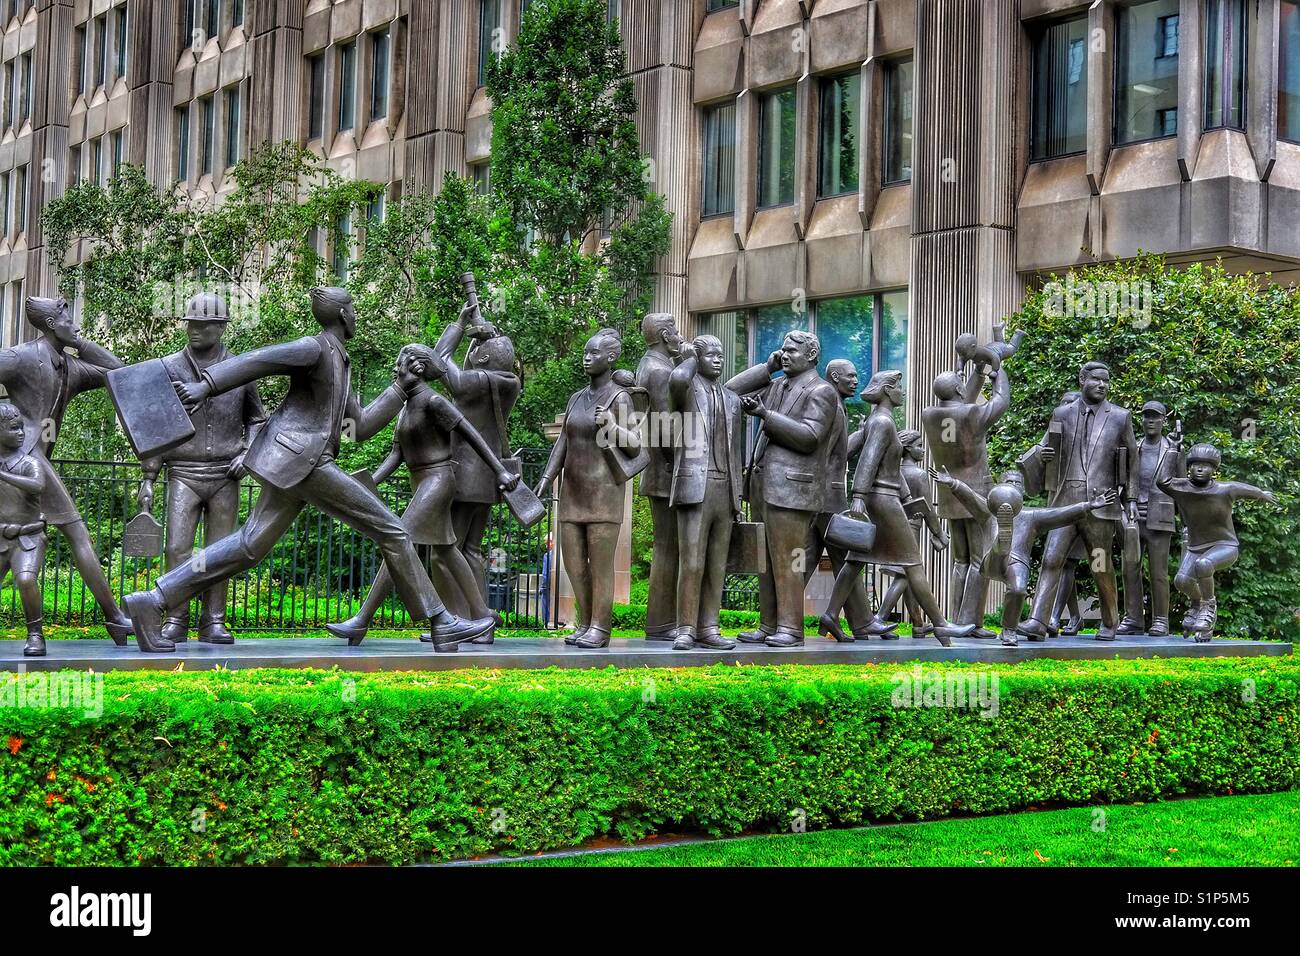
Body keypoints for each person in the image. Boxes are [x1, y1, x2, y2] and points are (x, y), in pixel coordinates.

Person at [122, 287, 494, 653]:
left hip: (294, 465)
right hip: (307, 461)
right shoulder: (313, 348)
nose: (355, 316)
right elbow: (259, 360)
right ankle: (442, 622)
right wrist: (206, 386)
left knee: (247, 546)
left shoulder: (340, 360)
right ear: (344, 315)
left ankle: (153, 600)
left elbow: (360, 427)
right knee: (393, 531)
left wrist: (401, 387)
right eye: (353, 310)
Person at [325, 344, 520, 646]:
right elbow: (396, 455)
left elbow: (472, 434)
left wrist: (499, 471)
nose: (395, 368)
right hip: (421, 482)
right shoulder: (405, 407)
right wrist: (367, 483)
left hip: (438, 481)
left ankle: (362, 620)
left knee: (397, 542)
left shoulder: (433, 401)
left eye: (400, 362)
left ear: (416, 367)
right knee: (447, 551)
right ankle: (483, 619)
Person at [0, 296, 134, 645]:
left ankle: (114, 618)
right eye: (67, 320)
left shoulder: (70, 367)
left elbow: (119, 371)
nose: (75, 325)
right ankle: (114, 618)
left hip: (34, 461)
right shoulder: (20, 357)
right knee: (77, 533)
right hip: (26, 459)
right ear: (50, 324)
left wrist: (80, 343)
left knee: (71, 537)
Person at [136, 293, 266, 645]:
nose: (194, 330)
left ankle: (213, 621)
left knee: (218, 552)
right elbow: (155, 426)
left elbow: (256, 420)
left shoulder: (240, 369)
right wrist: (148, 477)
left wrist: (248, 454)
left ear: (221, 328)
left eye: (204, 325)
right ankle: (175, 618)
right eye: (191, 324)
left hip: (226, 473)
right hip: (183, 471)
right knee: (177, 549)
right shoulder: (168, 368)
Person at [819, 370, 975, 646]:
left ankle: (830, 614)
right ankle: (940, 625)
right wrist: (858, 496)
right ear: (887, 390)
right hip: (883, 500)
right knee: (912, 563)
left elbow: (890, 468)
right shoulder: (882, 421)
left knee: (855, 561)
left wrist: (905, 497)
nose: (902, 391)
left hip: (882, 497)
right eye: (899, 387)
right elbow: (867, 461)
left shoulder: (882, 421)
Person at [726, 331, 840, 648]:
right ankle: (768, 625)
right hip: (763, 487)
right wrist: (767, 367)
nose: (785, 355)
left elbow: (809, 437)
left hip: (793, 490)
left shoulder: (822, 391)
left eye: (791, 351)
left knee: (789, 561)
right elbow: (730, 391)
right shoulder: (777, 385)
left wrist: (765, 414)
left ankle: (791, 628)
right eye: (783, 350)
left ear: (812, 355)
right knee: (766, 561)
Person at [535, 329, 642, 649]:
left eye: (593, 353)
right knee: (574, 564)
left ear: (611, 358)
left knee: (600, 566)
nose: (586, 358)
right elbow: (563, 442)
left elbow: (635, 445)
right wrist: (546, 478)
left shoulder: (619, 398)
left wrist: (611, 425)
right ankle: (584, 623)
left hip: (604, 493)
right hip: (572, 492)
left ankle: (600, 627)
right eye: (585, 352)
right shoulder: (576, 398)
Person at [1017, 361, 1138, 642]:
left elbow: (1133, 459)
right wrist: (1042, 454)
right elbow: (1044, 446)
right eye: (1096, 379)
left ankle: (1110, 621)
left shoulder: (1120, 417)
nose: (1102, 385)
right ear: (1082, 379)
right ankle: (1038, 621)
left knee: (1100, 563)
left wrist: (1131, 499)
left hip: (1102, 502)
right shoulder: (1062, 413)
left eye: (1106, 381)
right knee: (1051, 558)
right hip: (1065, 502)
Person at [930, 467, 1117, 646]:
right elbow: (968, 496)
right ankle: (1002, 541)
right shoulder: (987, 510)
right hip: (993, 561)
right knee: (999, 550)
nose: (1013, 485)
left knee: (1019, 589)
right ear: (999, 487)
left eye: (1017, 483)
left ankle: (1009, 630)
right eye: (1008, 482)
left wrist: (1089, 505)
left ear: (1022, 491)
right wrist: (952, 482)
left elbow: (1061, 514)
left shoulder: (1031, 516)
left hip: (1017, 563)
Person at [431, 302, 522, 613]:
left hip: (466, 476)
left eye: (478, 351)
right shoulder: (509, 382)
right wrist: (481, 338)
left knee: (448, 549)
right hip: (488, 477)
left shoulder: (476, 383)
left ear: (481, 358)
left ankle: (459, 617)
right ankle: (478, 615)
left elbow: (439, 360)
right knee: (471, 549)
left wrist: (459, 326)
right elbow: (469, 366)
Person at [921, 351, 1010, 636]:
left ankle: (958, 619)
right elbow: (1001, 401)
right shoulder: (971, 414)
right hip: (976, 496)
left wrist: (975, 372)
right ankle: (971, 622)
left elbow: (961, 402)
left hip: (949, 495)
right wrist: (997, 370)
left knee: (960, 561)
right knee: (979, 560)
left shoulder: (929, 414)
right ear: (959, 390)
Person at [1156, 439, 1277, 641]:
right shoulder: (1181, 488)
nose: (1199, 469)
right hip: (1195, 547)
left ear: (1214, 470)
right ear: (1189, 468)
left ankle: (1208, 608)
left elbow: (1250, 491)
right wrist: (1172, 450)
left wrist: (1263, 495)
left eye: (1205, 466)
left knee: (1204, 564)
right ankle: (1196, 603)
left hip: (1225, 546)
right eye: (1195, 465)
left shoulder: (1225, 489)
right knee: (1182, 581)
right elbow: (1162, 481)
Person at [666, 335, 742, 650]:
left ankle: (709, 627)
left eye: (720, 355)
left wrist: (739, 495)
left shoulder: (732, 399)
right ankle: (685, 628)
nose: (718, 360)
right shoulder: (686, 389)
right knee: (692, 562)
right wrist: (688, 358)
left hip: (726, 489)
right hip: (695, 485)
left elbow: (736, 450)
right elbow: (677, 379)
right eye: (711, 355)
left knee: (716, 565)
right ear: (698, 358)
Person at [803, 358, 874, 641]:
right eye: (851, 376)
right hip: (828, 496)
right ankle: (859, 622)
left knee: (814, 559)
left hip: (824, 495)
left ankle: (781, 620)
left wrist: (861, 434)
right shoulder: (830, 402)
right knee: (849, 556)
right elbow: (825, 453)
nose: (855, 381)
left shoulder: (839, 405)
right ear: (835, 376)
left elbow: (839, 452)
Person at [866, 429, 948, 639]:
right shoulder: (919, 475)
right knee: (905, 573)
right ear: (909, 449)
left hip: (891, 525)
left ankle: (918, 624)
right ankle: (880, 618)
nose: (923, 450)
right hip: (910, 527)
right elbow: (927, 509)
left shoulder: (893, 471)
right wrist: (939, 533)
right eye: (919, 445)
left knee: (908, 575)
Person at [635, 313, 686, 642]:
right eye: (676, 331)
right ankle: (662, 623)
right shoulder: (660, 370)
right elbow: (667, 427)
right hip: (667, 470)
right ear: (666, 335)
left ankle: (663, 621)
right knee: (669, 548)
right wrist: (682, 461)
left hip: (660, 470)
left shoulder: (650, 364)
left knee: (667, 547)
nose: (680, 336)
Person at [1117, 401, 1183, 636]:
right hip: (1134, 516)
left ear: (1164, 420)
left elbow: (1182, 486)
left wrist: (1184, 520)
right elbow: (1123, 481)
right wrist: (1128, 504)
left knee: (1158, 573)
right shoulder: (1134, 448)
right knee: (1129, 569)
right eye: (1146, 417)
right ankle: (1133, 618)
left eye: (1155, 417)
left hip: (1161, 517)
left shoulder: (1173, 449)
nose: (1150, 421)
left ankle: (1161, 619)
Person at [0, 402, 48, 656]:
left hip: (28, 538)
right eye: (13, 428)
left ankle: (35, 634)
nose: (21, 433)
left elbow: (38, 485)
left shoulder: (29, 463)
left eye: (21, 427)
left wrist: (3, 475)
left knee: (26, 579)